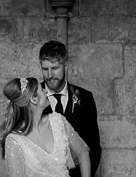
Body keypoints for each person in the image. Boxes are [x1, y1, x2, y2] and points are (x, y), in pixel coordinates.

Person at [0, 76, 92, 177]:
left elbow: (83, 153)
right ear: (34, 99)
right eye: (42, 89)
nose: (46, 91)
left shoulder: (58, 121)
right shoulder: (14, 140)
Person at [39, 41, 101, 177]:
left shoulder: (85, 98)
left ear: (65, 66)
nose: (49, 75)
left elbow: (94, 147)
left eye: (54, 68)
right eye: (45, 69)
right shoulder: (34, 98)